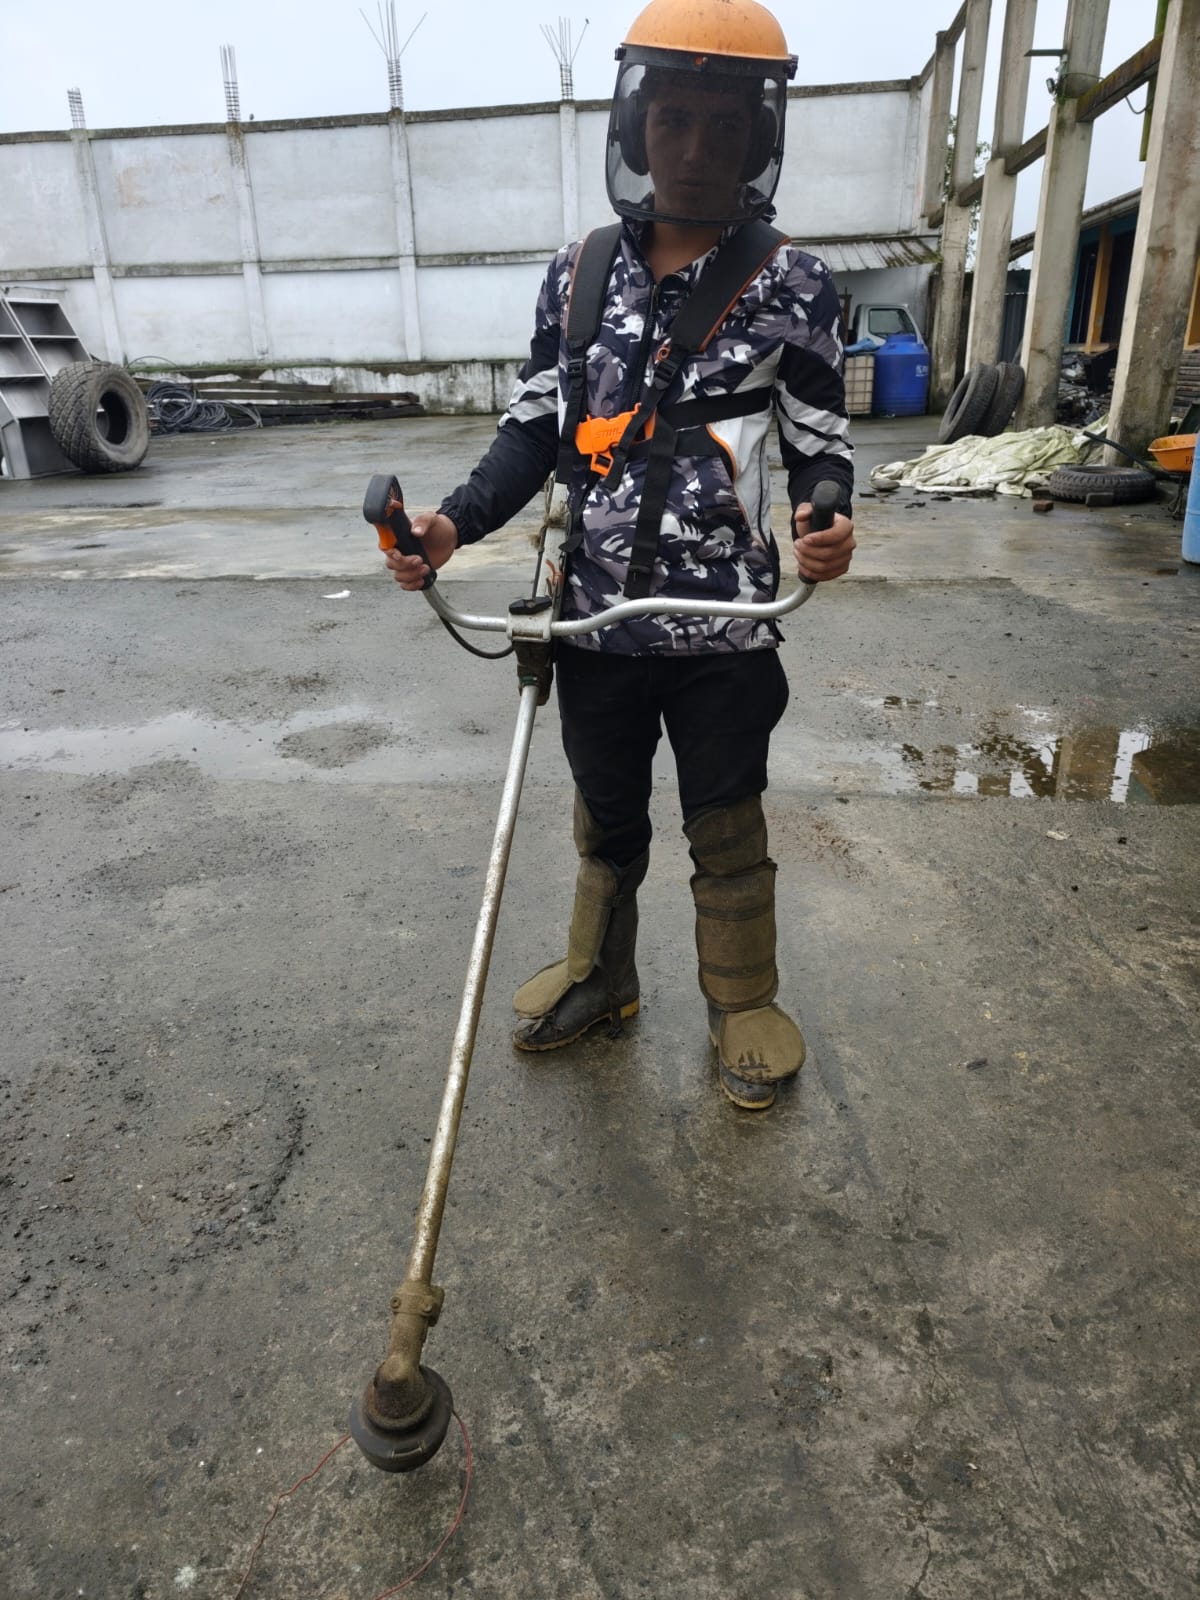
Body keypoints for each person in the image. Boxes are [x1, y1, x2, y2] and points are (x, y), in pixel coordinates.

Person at [386, 0, 856, 1110]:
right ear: (637, 128)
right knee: (606, 817)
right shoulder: (577, 273)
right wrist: (454, 524)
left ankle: (742, 1002)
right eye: (674, 120)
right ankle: (604, 977)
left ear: (758, 137)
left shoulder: (795, 281)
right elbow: (535, 426)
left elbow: (819, 438)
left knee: (725, 819)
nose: (695, 149)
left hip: (728, 629)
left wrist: (826, 515)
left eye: (724, 126)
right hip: (592, 620)